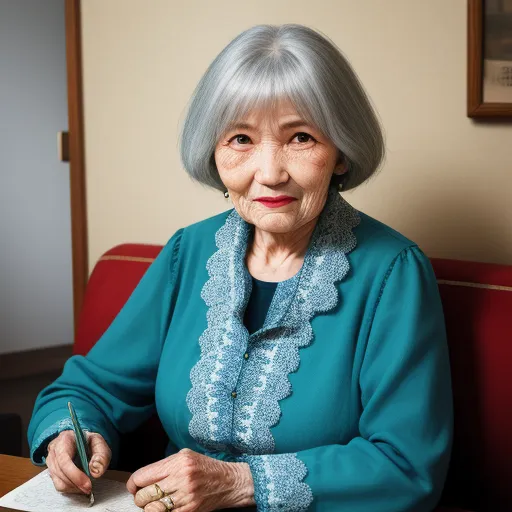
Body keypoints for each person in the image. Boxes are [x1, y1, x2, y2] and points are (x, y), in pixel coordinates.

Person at [28, 23, 453, 512]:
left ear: (340, 152)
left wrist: (239, 481)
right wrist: (71, 434)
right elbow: (91, 388)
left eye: (300, 137)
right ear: (213, 151)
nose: (269, 173)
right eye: (240, 139)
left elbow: (407, 465)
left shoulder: (394, 272)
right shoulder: (188, 251)